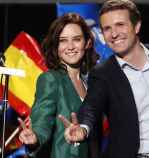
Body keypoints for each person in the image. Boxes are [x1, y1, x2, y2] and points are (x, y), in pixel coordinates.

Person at [58, 0, 149, 158]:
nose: (114, 34)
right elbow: (91, 108)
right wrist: (83, 128)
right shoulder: (102, 73)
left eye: (120, 25)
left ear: (137, 26)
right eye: (107, 28)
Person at [18, 13, 99, 158]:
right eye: (63, 40)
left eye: (76, 39)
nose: (70, 46)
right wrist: (35, 137)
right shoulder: (50, 79)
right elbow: (43, 119)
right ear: (56, 46)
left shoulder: (90, 82)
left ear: (87, 43)